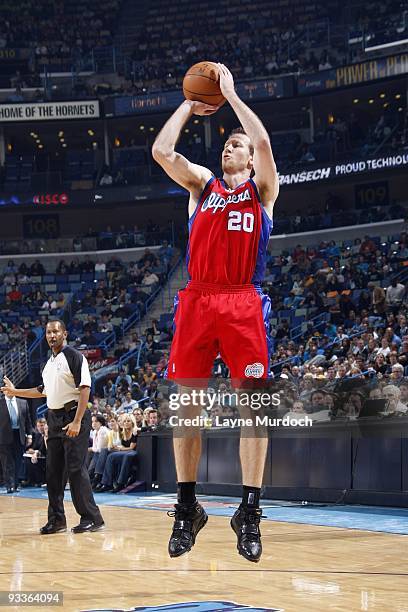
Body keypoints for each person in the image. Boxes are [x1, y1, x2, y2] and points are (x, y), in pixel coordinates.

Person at [152, 63, 279, 562]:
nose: (230, 147)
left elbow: (266, 146)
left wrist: (232, 96)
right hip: (199, 298)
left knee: (255, 407)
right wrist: (190, 104)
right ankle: (189, 506)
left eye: (237, 144)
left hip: (243, 300)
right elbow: (162, 152)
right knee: (187, 406)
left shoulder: (262, 191)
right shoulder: (202, 185)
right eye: (226, 143)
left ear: (249, 158)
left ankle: (249, 510)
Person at [1, 319, 104, 534]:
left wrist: (76, 421)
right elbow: (42, 390)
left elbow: (85, 388)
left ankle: (92, 518)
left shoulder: (74, 356)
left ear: (64, 333)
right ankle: (57, 520)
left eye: (56, 331)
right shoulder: (49, 363)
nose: (51, 335)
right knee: (53, 472)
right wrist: (15, 392)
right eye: (48, 332)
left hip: (74, 414)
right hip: (54, 418)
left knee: (75, 469)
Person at [0, 391, 33, 493]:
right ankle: (9, 485)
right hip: (3, 436)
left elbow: (28, 420)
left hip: (19, 435)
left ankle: (16, 483)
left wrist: (30, 435)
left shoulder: (23, 402)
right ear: (4, 391)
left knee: (18, 460)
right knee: (7, 461)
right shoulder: (0, 403)